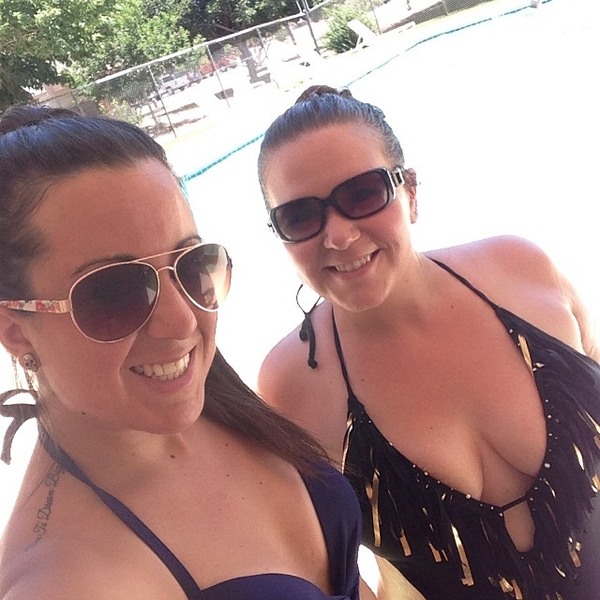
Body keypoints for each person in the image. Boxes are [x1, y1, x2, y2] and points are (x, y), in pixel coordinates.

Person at [0, 105, 368, 600]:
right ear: (16, 330)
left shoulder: (215, 397)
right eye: (114, 291)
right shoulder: (62, 583)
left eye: (192, 264)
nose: (183, 321)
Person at [255, 85, 600, 600]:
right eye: (300, 217)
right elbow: (326, 569)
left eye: (362, 193)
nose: (339, 236)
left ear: (410, 191)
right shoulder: (291, 387)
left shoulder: (521, 271)